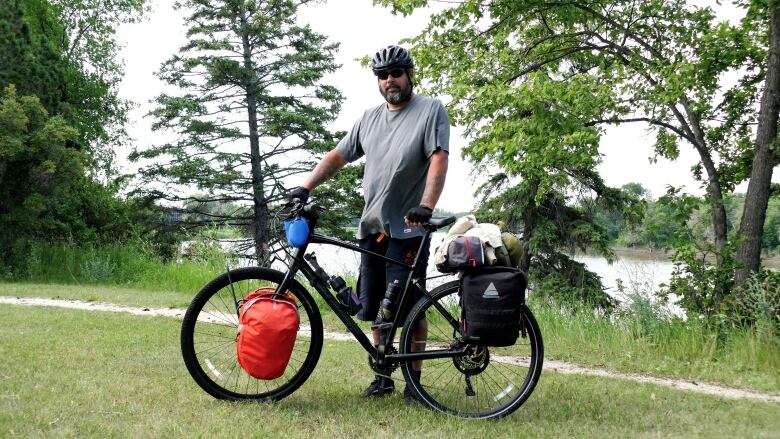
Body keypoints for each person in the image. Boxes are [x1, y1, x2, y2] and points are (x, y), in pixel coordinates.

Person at [288, 44, 450, 399]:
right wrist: (304, 186)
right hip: (372, 228)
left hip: (408, 228)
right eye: (383, 75)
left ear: (409, 75)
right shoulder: (369, 118)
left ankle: (415, 383)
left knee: (409, 307)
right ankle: (383, 376)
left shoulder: (430, 110)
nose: (389, 80)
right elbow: (338, 156)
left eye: (396, 73)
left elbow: (439, 158)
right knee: (374, 305)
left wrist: (427, 204)